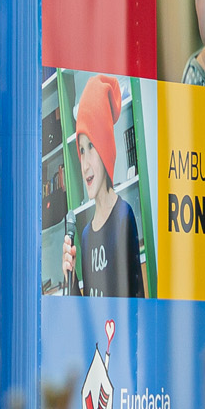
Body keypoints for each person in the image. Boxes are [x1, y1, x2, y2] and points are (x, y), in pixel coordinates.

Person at [60, 75, 146, 297]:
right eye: (81, 150)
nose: (85, 163)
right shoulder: (86, 235)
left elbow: (137, 300)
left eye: (91, 146)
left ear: (106, 148)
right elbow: (88, 313)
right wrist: (71, 278)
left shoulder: (123, 217)